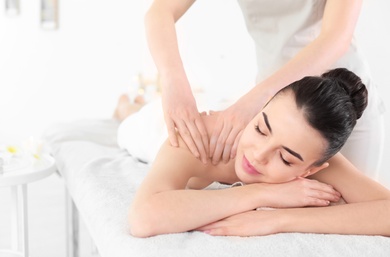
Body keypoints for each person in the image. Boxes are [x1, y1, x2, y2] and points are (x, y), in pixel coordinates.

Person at [120, 68, 390, 238]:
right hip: (156, 128)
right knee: (131, 120)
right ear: (259, 110)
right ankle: (127, 108)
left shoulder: (317, 155)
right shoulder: (200, 137)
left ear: (310, 171)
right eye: (261, 128)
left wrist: (279, 219)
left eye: (285, 158)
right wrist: (260, 193)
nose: (258, 155)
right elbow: (143, 218)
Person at [144, 0, 385, 178]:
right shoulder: (264, 131)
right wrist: (172, 81)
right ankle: (132, 107)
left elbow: (336, 37)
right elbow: (161, 11)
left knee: (350, 220)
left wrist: (254, 102)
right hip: (276, 110)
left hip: (342, 108)